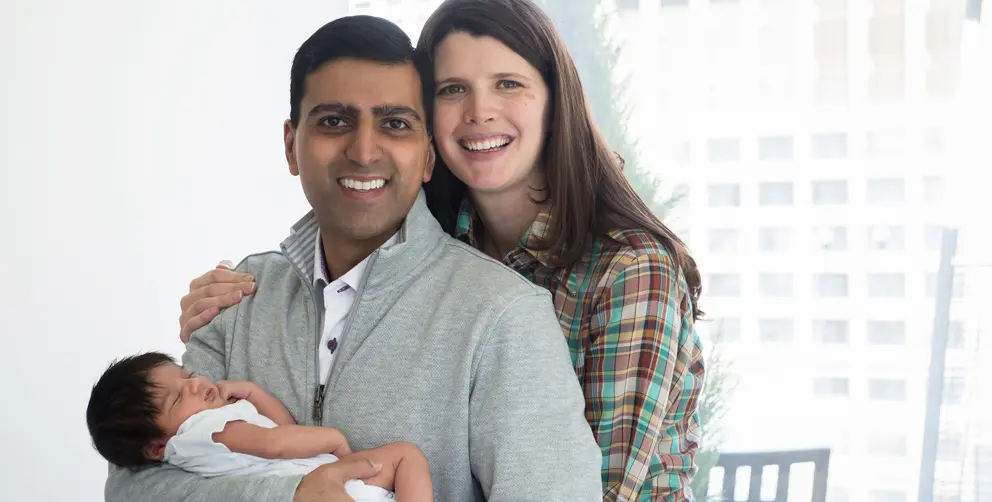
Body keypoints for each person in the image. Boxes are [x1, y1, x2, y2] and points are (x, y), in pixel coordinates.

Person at [181, 1, 706, 500]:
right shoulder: (440, 240)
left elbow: (597, 490)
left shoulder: (629, 271)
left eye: (508, 84)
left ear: (553, 101)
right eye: (454, 89)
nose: (480, 112)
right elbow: (143, 474)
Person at [109, 14, 604, 502]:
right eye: (333, 121)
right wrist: (295, 496)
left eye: (394, 123)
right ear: (290, 146)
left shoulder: (504, 316)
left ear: (428, 155)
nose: (364, 151)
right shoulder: (238, 298)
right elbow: (136, 486)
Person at [87, 352, 433, 502]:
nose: (194, 385)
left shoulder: (207, 434)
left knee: (404, 456)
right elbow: (275, 443)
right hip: (329, 487)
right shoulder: (201, 431)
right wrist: (334, 439)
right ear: (155, 448)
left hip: (325, 482)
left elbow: (281, 428)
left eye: (188, 375)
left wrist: (253, 393)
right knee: (406, 456)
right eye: (177, 399)